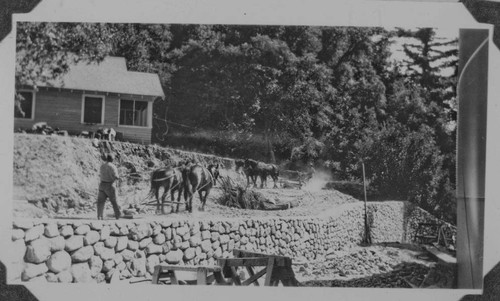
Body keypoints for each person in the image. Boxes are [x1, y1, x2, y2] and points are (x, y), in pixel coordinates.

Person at [97, 153, 121, 220]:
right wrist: (118, 177)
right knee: (114, 201)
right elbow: (116, 176)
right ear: (112, 159)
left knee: (100, 202)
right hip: (109, 185)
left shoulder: (102, 166)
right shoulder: (113, 166)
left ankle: (99, 216)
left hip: (102, 185)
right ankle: (117, 216)